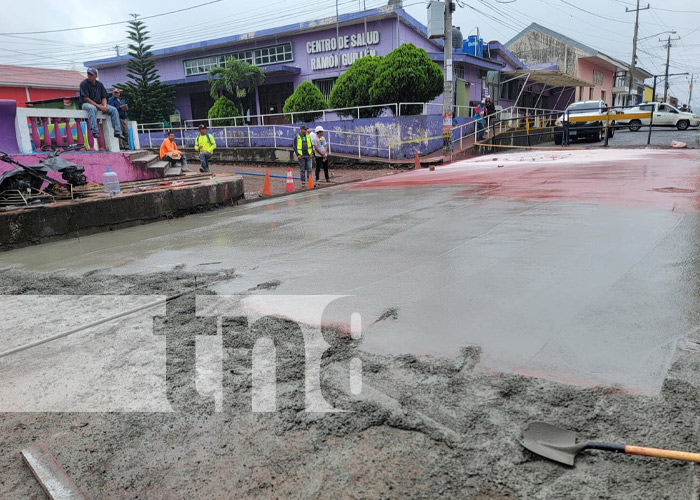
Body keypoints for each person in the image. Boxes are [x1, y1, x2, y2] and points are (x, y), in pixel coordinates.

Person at [79, 68, 123, 143]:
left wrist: (105, 107)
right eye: (88, 74)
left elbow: (104, 97)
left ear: (95, 76)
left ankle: (117, 132)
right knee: (92, 108)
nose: (89, 76)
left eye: (91, 74)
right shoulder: (83, 84)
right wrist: (99, 107)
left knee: (114, 109)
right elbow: (86, 98)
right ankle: (95, 131)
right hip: (86, 104)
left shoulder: (99, 84)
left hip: (99, 104)